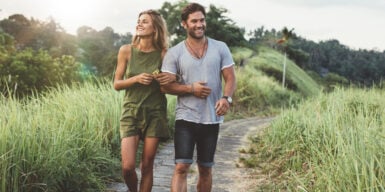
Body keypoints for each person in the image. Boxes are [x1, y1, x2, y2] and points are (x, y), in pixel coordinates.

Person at [160, 3, 236, 192]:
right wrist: (190, 89)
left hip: (211, 118)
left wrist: (226, 98)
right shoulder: (174, 53)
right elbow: (165, 86)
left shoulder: (220, 48)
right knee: (181, 167)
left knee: (205, 169)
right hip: (185, 117)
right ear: (185, 24)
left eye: (202, 20)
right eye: (194, 21)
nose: (199, 24)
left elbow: (230, 77)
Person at [113, 9, 175, 192]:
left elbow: (171, 84)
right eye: (139, 21)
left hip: (155, 113)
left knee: (147, 165)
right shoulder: (126, 51)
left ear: (155, 28)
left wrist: (169, 79)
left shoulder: (164, 54)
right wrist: (136, 79)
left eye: (145, 21)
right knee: (127, 167)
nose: (139, 24)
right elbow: (117, 84)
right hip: (130, 112)